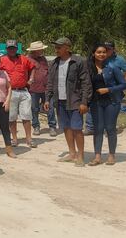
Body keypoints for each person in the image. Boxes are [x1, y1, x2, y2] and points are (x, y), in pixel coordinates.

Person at [45, 37, 92, 167]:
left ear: (67, 47)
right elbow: (50, 82)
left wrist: (84, 102)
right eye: (56, 47)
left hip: (75, 101)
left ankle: (80, 156)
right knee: (66, 127)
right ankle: (72, 153)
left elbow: (86, 83)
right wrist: (47, 98)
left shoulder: (78, 61)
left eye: (59, 47)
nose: (56, 50)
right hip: (59, 101)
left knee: (77, 129)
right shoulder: (54, 63)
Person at [87, 44, 126, 166]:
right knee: (98, 129)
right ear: (94, 53)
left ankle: (111, 155)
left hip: (112, 101)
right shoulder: (89, 68)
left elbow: (124, 85)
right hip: (96, 102)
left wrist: (108, 89)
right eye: (99, 52)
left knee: (110, 128)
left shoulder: (112, 67)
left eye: (104, 52)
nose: (101, 54)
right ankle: (97, 156)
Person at [0, 40, 37, 149]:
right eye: (9, 48)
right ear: (6, 49)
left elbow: (33, 67)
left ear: (17, 49)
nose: (12, 50)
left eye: (13, 48)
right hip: (10, 92)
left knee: (26, 115)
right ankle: (14, 139)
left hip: (24, 90)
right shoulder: (2, 60)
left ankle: (29, 139)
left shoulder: (24, 59)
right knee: (12, 117)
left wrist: (31, 78)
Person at [27, 41, 58, 137]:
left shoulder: (43, 59)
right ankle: (36, 126)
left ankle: (52, 126)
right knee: (34, 108)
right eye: (40, 49)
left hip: (46, 88)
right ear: (35, 50)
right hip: (33, 88)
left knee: (50, 107)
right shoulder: (27, 60)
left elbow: (47, 71)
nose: (42, 51)